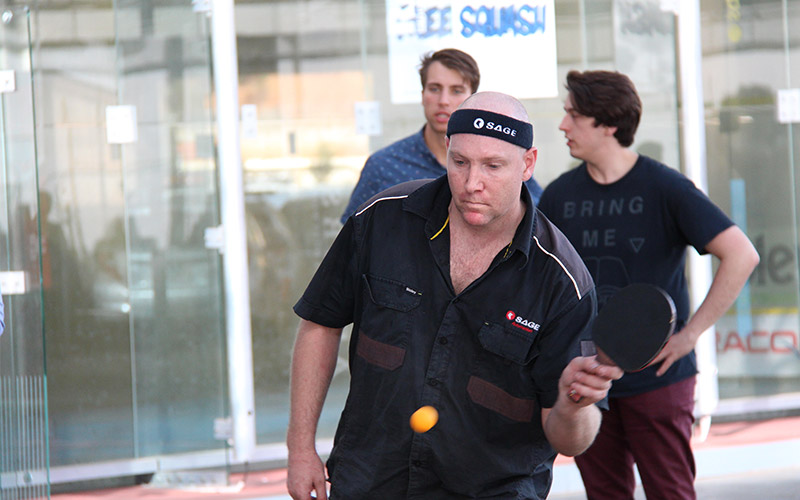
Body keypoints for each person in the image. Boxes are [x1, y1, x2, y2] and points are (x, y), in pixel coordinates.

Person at [287, 91, 623, 500]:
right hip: (369, 482)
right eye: (460, 162)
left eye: (493, 166)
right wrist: (300, 448)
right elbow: (320, 324)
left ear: (528, 164)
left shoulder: (561, 280)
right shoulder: (381, 220)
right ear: (447, 149)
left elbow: (570, 441)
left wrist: (573, 405)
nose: (471, 184)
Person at [537, 70, 760, 500]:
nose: (563, 125)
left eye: (574, 115)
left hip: (659, 379)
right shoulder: (560, 196)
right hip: (589, 378)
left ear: (608, 124)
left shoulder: (665, 187)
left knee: (670, 492)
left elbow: (741, 254)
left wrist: (688, 336)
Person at [340, 48, 543, 223]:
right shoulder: (383, 166)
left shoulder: (506, 165)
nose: (443, 100)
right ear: (422, 95)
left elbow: (536, 217)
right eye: (434, 89)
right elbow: (355, 236)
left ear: (472, 98)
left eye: (456, 90)